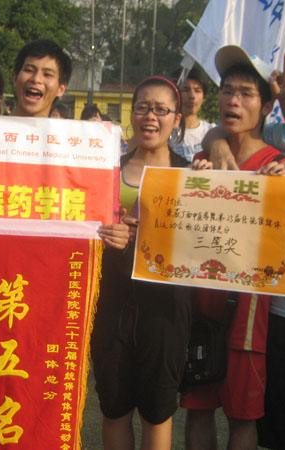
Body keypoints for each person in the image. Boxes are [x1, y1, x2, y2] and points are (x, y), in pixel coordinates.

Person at [204, 37, 285, 450]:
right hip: (284, 312)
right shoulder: (283, 137)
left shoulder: (282, 143)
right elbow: (232, 127)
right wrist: (216, 143)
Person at [181, 46, 285, 450]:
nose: (233, 100)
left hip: (249, 316)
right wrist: (193, 180)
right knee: (197, 410)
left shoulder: (280, 165)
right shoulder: (201, 159)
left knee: (243, 417)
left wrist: (281, 186)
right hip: (199, 305)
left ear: (265, 106)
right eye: (227, 91)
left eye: (246, 94)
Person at [90, 75, 190, 450]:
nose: (150, 116)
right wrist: (105, 235)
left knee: (157, 412)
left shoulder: (192, 174)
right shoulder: (104, 170)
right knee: (114, 407)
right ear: (132, 114)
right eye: (143, 107)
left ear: (176, 119)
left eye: (161, 109)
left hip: (166, 308)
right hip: (111, 304)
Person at [171, 66, 214, 162]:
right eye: (185, 90)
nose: (192, 96)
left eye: (197, 90)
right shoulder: (165, 132)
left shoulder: (212, 132)